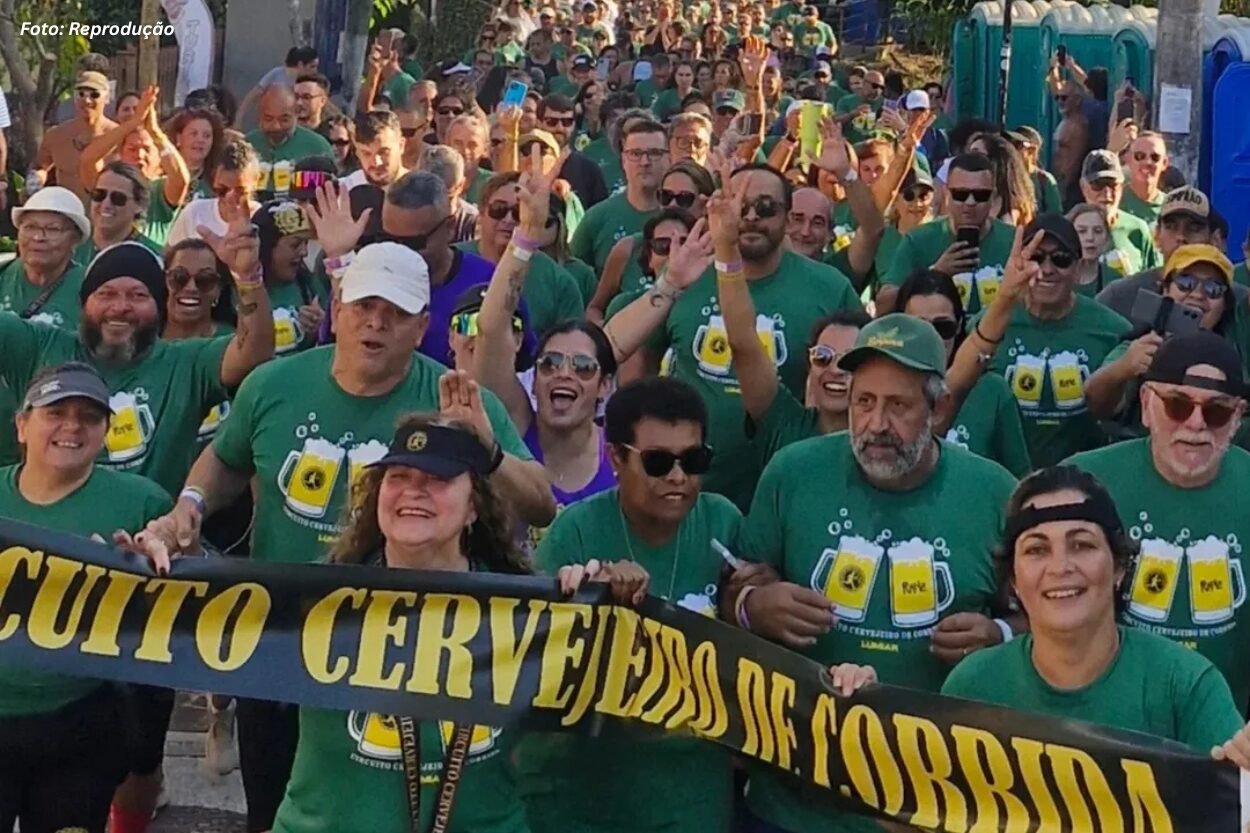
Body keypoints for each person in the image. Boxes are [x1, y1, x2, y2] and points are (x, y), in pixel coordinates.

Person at [252, 413, 634, 833]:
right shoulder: (316, 596)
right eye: (398, 475)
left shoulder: (524, 608)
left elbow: (605, 697)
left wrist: (605, 600)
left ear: (474, 506)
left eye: (438, 478)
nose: (413, 491)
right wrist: (168, 562)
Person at [735, 313, 1020, 833]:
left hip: (932, 804)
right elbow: (740, 580)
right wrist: (754, 605)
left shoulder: (995, 493)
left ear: (936, 411)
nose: (875, 424)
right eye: (864, 402)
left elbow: (1044, 622)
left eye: (899, 406)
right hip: (793, 803)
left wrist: (999, 633)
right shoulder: (793, 472)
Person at [516, 376, 735, 833]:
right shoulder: (573, 533)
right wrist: (592, 605)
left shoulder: (723, 523)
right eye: (658, 462)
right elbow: (530, 663)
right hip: (579, 802)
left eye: (694, 460)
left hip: (691, 798)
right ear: (615, 457)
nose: (678, 476)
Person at [941, 465, 1250, 768]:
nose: (1060, 567)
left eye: (1082, 545)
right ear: (1013, 579)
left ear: (1119, 566)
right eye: (1037, 550)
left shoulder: (1185, 685)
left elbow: (1238, 806)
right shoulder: (973, 686)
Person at [605, 164, 863, 510]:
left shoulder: (830, 287)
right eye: (740, 206)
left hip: (782, 492)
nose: (752, 216)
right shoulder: (687, 272)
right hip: (682, 488)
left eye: (766, 207)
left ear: (788, 219)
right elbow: (637, 365)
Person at [0, 363, 174, 833]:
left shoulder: (141, 502)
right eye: (56, 412)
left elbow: (192, 582)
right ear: (22, 424)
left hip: (81, 720)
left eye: (89, 417)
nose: (72, 426)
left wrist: (160, 553)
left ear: (106, 431)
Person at [1066, 332, 1250, 711]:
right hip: (1103, 717)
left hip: (1224, 725)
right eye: (1178, 405)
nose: (1197, 424)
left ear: (1236, 420)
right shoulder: (1081, 483)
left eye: (1216, 411)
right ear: (1148, 405)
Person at [972, 214, 1131, 467]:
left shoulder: (1113, 330)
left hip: (1080, 481)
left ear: (1079, 270)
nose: (1047, 269)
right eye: (1036, 257)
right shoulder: (988, 324)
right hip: (1001, 476)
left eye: (1061, 259)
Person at [1085, 245, 1238, 438]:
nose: (1198, 294)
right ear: (1165, 290)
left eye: (1213, 288)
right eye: (1186, 282)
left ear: (1225, 303)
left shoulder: (1236, 349)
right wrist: (1123, 368)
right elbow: (1094, 400)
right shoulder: (1141, 345)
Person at [897, 269, 1031, 476]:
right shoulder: (883, 389)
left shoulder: (992, 390)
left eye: (943, 327)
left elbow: (1020, 478)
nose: (933, 337)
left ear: (959, 325)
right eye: (919, 327)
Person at [880, 152, 1017, 316]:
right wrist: (935, 275)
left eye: (980, 195)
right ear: (946, 194)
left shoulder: (1014, 241)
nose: (970, 202)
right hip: (937, 339)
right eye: (961, 194)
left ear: (993, 197)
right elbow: (883, 306)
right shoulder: (919, 240)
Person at [458, 170, 585, 330]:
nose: (508, 219)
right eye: (498, 209)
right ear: (481, 213)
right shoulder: (450, 263)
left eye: (518, 212)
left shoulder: (559, 282)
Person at [588, 160, 715, 319]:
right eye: (666, 196)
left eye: (684, 198)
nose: (673, 204)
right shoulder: (630, 248)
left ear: (704, 204)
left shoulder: (718, 254)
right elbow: (595, 308)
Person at [1096, 185, 1234, 320]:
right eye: (1171, 227)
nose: (1181, 236)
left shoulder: (1238, 299)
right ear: (1156, 235)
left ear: (1214, 239)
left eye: (1193, 228)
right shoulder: (1120, 296)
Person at [570, 118, 666, 271]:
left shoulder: (682, 215)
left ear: (669, 158)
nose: (645, 162)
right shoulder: (596, 219)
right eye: (635, 154)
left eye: (654, 153)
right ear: (623, 160)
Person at [0, 186, 90, 329]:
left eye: (52, 229)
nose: (38, 237)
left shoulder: (90, 288)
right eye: (30, 227)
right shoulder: (3, 275)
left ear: (75, 239)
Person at [251, 200, 327, 356]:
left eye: (306, 243)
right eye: (295, 244)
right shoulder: (237, 290)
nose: (304, 252)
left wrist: (319, 328)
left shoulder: (307, 284)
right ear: (266, 246)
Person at [31, 71, 118, 203]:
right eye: (81, 94)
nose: (87, 100)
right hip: (67, 215)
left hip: (106, 215)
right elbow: (40, 166)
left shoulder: (118, 136)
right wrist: (34, 184)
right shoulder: (56, 135)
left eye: (94, 95)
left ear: (106, 98)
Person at [1078, 149, 1159, 278]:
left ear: (1121, 187)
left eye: (1112, 185)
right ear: (1083, 187)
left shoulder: (1138, 230)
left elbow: (1153, 283)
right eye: (1098, 185)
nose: (1107, 194)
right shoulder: (1068, 229)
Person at [167, 139, 264, 247]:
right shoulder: (194, 212)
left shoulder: (263, 220)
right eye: (222, 190)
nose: (229, 198)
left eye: (240, 191)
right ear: (214, 180)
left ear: (256, 181)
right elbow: (170, 256)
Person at [76, 162, 161, 265]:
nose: (106, 204)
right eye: (99, 194)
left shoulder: (152, 257)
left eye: (118, 198)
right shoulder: (71, 247)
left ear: (139, 205)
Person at [536, 93, 609, 207]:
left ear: (574, 124)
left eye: (567, 122)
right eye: (551, 122)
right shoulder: (526, 162)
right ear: (539, 123)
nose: (559, 128)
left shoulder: (589, 169)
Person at [245, 86, 335, 167]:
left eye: (284, 120)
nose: (276, 126)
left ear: (296, 114)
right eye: (269, 119)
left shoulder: (318, 147)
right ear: (260, 116)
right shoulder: (247, 146)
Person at [235, 46, 321, 128]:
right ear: (300, 64)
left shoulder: (310, 82)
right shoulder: (276, 74)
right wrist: (238, 119)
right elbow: (252, 95)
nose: (315, 71)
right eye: (312, 66)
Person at [419, 144, 478, 245]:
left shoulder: (472, 222)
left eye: (445, 196)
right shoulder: (405, 213)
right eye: (428, 195)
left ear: (461, 185)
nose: (437, 205)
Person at [1066, 202, 1117, 296]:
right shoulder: (1056, 278)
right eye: (1082, 231)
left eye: (1097, 231)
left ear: (1107, 238)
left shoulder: (1115, 281)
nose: (1090, 237)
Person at [1120, 132, 1169, 227]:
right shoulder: (1115, 200)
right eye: (1139, 156)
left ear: (1164, 163)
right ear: (1128, 160)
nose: (1148, 162)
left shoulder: (1171, 206)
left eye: (1155, 157)